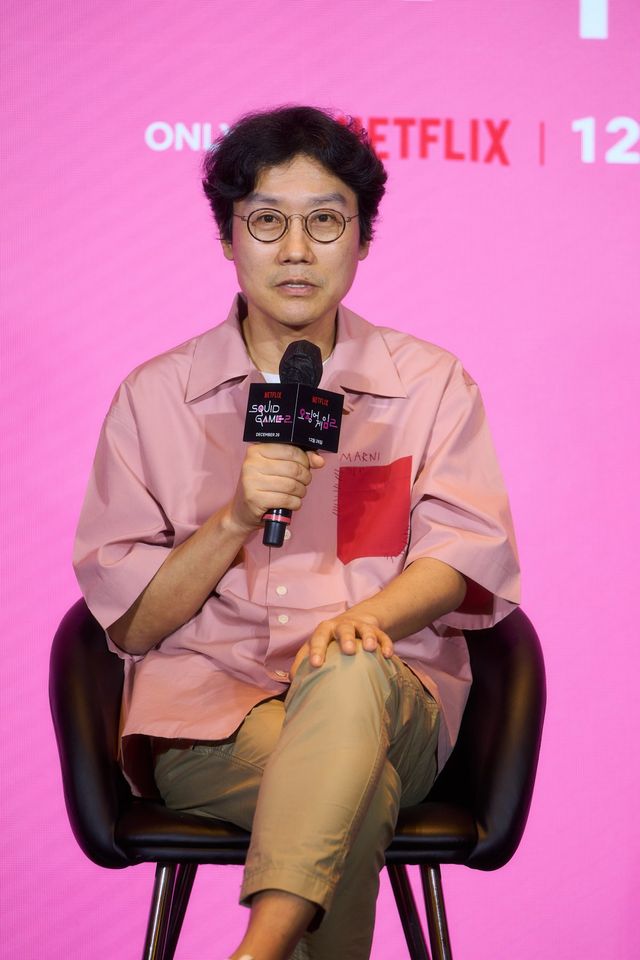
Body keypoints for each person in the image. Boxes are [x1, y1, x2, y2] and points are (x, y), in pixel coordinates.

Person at [73, 105, 520, 960]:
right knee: (354, 795)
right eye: (267, 221)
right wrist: (235, 518)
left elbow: (465, 553)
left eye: (325, 221)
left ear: (362, 238)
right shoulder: (155, 397)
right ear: (227, 237)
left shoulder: (430, 384)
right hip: (211, 719)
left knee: (347, 662)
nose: (296, 250)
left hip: (390, 701)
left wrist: (369, 621)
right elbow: (130, 624)